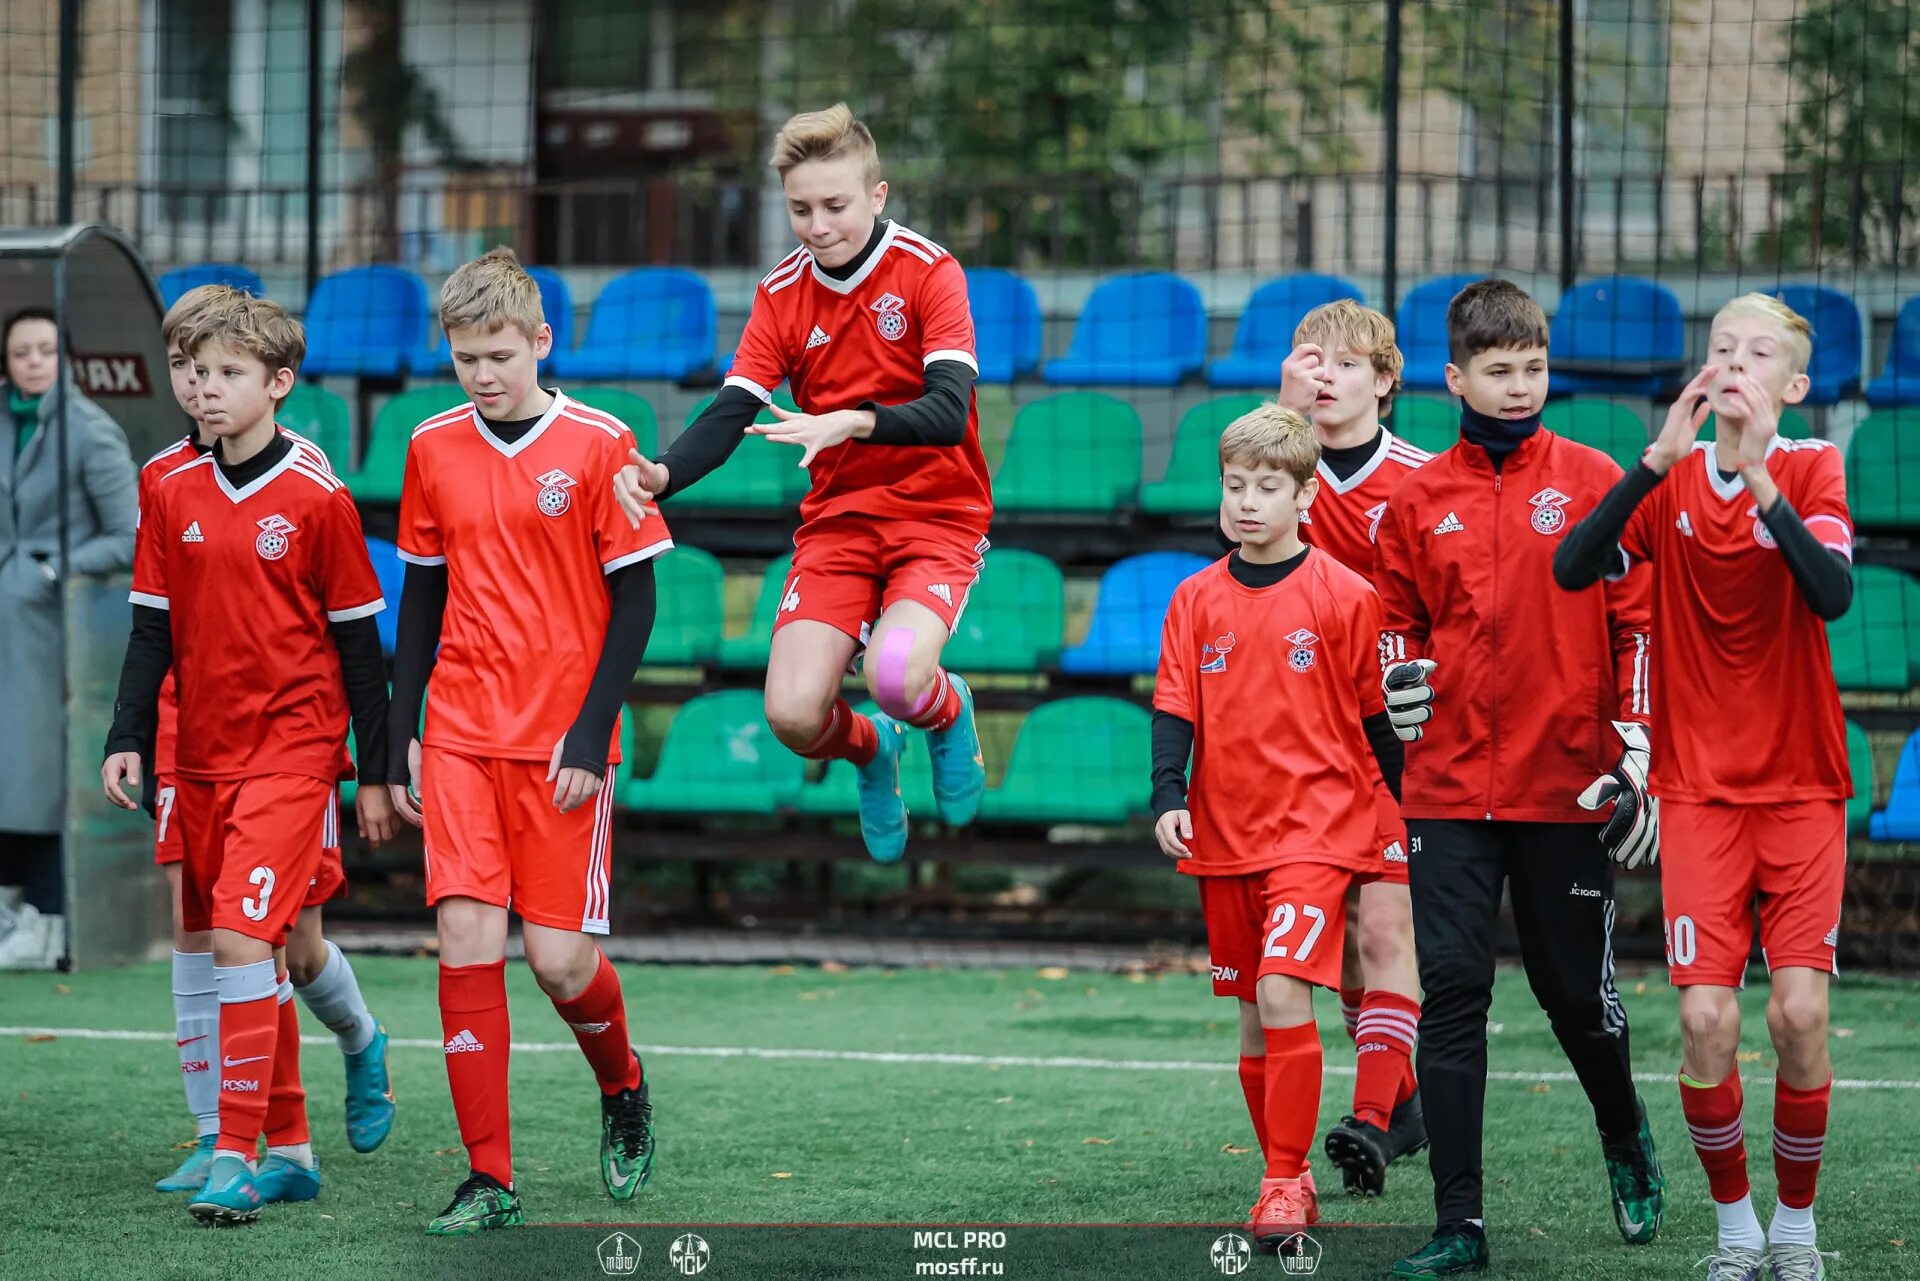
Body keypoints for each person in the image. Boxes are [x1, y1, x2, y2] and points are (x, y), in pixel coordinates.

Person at [1370, 279, 1664, 1277]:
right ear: (1455, 378)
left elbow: (1638, 624)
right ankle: (1462, 1225)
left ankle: (1624, 1133)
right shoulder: (1414, 502)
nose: (1519, 386)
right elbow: (1393, 621)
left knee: (1571, 993)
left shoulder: (1592, 479)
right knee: (1451, 989)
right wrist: (1397, 674)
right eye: (1498, 371)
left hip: (1566, 785)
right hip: (1446, 790)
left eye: (1533, 367)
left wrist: (1633, 744)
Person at [1553, 294, 1849, 1281]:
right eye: (1721, 347)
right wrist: (1650, 462)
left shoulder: (1811, 467)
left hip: (1804, 789)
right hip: (1701, 794)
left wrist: (1759, 472)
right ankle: (1736, 1231)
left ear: (1791, 386)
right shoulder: (1670, 479)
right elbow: (1573, 566)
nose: (1733, 362)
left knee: (1798, 1017)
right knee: (1706, 1021)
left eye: (1757, 352)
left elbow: (1832, 594)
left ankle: (1795, 1228)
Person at [611, 102, 990, 864]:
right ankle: (874, 752)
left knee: (893, 674)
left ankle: (947, 712)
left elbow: (949, 411)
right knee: (789, 713)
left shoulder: (929, 270)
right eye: (800, 209)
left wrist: (850, 422)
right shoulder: (780, 293)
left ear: (876, 197)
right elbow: (733, 409)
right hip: (840, 525)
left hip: (936, 517)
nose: (818, 225)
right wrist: (664, 473)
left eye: (836, 206)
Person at [385, 248, 668, 1236]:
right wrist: (399, 731)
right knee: (464, 939)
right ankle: (488, 1177)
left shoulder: (601, 443)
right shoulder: (430, 447)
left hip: (561, 745)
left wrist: (592, 732)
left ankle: (622, 1084)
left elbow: (638, 597)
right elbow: (421, 589)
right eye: (466, 358)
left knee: (556, 962)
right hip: (459, 730)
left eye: (501, 353)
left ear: (542, 343)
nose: (485, 373)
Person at [101, 294, 399, 1224]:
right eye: (195, 371)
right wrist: (128, 735)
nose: (206, 389)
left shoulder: (318, 496)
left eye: (228, 373)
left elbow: (360, 646)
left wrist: (378, 771)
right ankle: (296, 1146)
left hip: (294, 751)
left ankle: (234, 1149)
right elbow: (152, 625)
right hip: (205, 756)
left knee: (244, 940)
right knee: (273, 950)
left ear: (279, 384)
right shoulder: (169, 486)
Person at [1152, 403, 1406, 1250]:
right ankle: (1291, 1172)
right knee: (1254, 1020)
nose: (1248, 502)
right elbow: (1175, 707)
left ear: (1305, 495)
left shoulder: (1346, 594)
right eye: (1235, 485)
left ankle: (1277, 1184)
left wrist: (1408, 818)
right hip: (1227, 833)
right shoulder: (1193, 599)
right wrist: (1167, 795)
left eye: (1268, 486)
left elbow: (1376, 719)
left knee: (1280, 989)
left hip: (1319, 827)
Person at [1268, 300, 1429, 1195]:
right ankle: (1403, 1102)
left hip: (1392, 743)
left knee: (1382, 925)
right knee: (1345, 955)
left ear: (1386, 382)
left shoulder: (1420, 481)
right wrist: (1286, 419)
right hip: (1292, 744)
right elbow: (1244, 535)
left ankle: (1372, 1117)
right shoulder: (1279, 471)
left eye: (1344, 363)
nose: (1323, 375)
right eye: (1308, 359)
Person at [0, 306, 137, 968]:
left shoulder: (88, 429)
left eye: (45, 349)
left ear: (68, 358)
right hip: (7, 626)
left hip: (53, 629)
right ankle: (18, 907)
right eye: (21, 351)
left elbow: (129, 531)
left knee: (39, 766)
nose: (32, 361)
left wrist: (56, 567)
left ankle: (51, 915)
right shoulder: (4, 416)